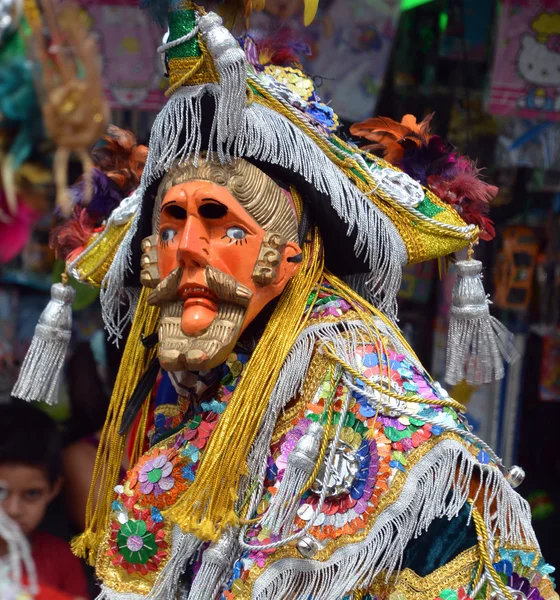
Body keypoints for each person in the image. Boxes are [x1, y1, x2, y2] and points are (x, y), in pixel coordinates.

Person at [12, 1, 557, 599]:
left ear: (288, 259)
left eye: (225, 226)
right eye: (168, 227)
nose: (187, 250)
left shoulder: (408, 458)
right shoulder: (206, 407)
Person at [0, 402, 89, 599]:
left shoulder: (61, 559)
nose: (13, 510)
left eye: (31, 494)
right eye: (1, 493)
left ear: (53, 489)